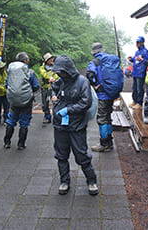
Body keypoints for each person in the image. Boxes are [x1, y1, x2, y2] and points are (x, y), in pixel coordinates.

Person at [51, 55, 99, 195]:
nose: (60, 74)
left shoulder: (82, 81)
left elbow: (86, 102)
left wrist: (68, 110)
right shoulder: (60, 81)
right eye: (58, 72)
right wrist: (54, 98)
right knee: (61, 155)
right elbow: (54, 89)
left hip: (77, 125)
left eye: (62, 72)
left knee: (81, 155)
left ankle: (91, 181)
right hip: (60, 124)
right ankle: (64, 181)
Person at [86, 42, 119, 152]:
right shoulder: (110, 59)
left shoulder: (94, 62)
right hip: (111, 93)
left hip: (102, 95)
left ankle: (104, 144)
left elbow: (90, 75)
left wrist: (95, 85)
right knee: (108, 117)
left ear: (94, 52)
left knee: (101, 118)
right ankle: (110, 142)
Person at [4, 52, 40, 150]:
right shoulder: (30, 71)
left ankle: (7, 142)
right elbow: (36, 86)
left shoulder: (10, 71)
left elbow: (7, 84)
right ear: (25, 60)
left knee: (11, 120)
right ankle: (21, 144)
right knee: (24, 122)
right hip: (26, 101)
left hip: (13, 100)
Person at [128, 36, 148, 110]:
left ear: (142, 43)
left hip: (141, 73)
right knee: (134, 88)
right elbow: (135, 59)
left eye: (139, 42)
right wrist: (131, 59)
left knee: (139, 88)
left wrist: (142, 59)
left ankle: (139, 103)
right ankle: (134, 100)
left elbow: (147, 62)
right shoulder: (137, 52)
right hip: (135, 72)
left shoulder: (145, 51)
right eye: (136, 42)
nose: (137, 44)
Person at [39, 52, 59, 124]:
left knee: (56, 102)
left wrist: (53, 78)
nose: (52, 60)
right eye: (50, 59)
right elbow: (43, 74)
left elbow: (58, 74)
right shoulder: (42, 67)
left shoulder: (56, 67)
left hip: (54, 87)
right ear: (47, 60)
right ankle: (47, 117)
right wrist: (49, 78)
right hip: (45, 88)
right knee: (45, 103)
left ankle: (57, 117)